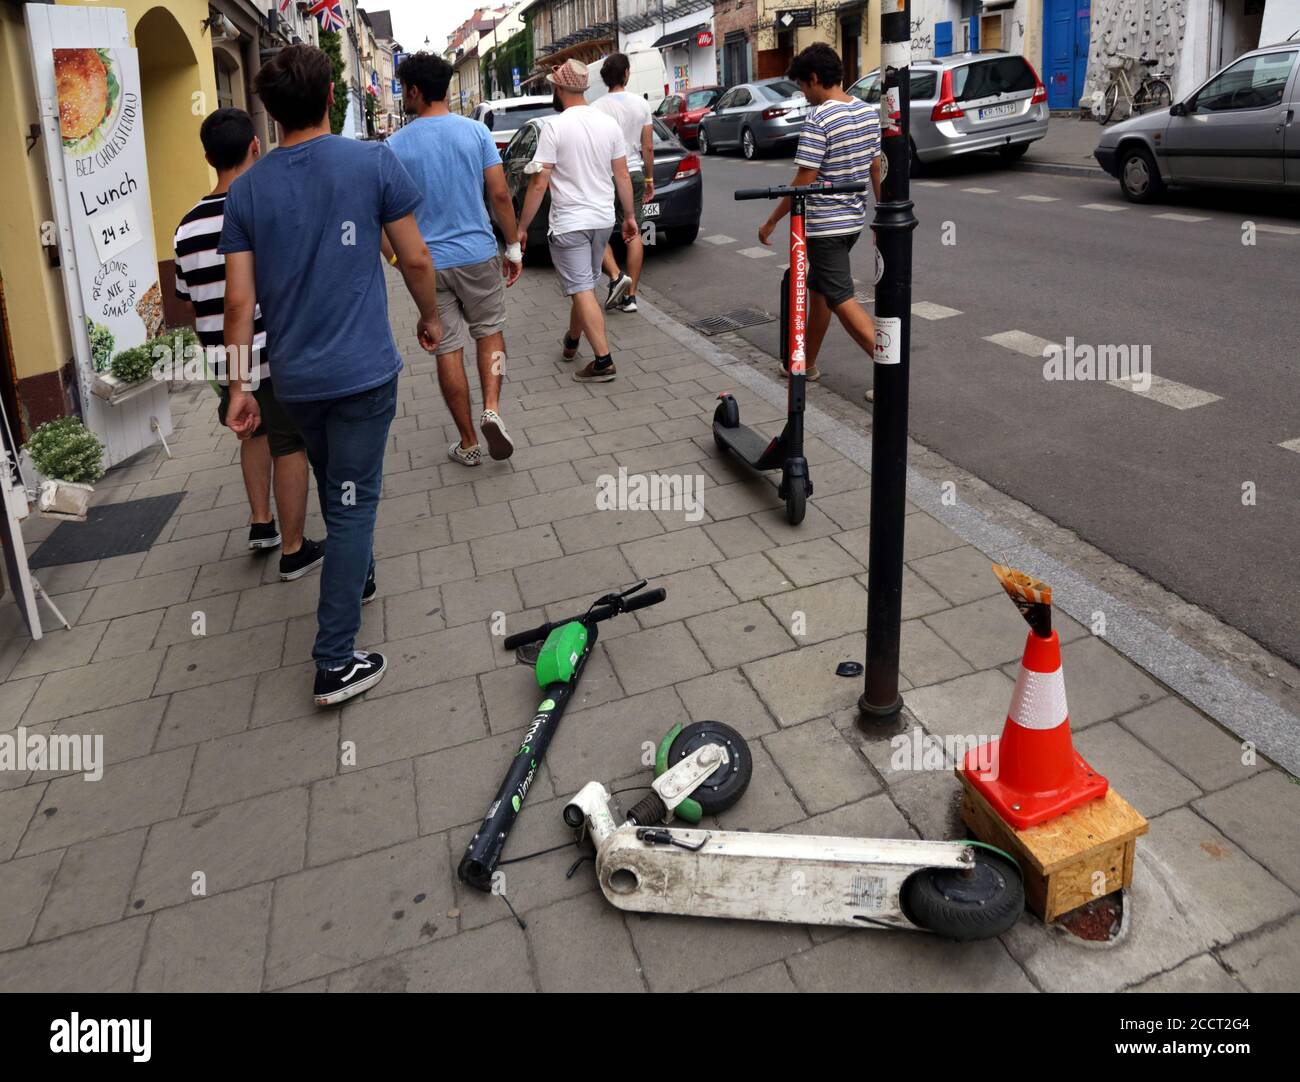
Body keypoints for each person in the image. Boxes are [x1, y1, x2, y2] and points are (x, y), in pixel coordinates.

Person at [219, 44, 442, 707]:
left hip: (294, 378)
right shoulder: (372, 161)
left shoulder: (248, 190)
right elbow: (417, 257)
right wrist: (430, 319)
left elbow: (237, 303)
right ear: (329, 101)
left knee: (333, 482)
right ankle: (335, 661)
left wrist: (238, 386)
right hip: (363, 372)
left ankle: (359, 575)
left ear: (268, 110)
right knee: (353, 505)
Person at [173, 108, 320, 581]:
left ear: (207, 157)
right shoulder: (263, 208)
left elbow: (191, 301)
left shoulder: (185, 227)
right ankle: (294, 550)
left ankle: (262, 523)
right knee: (289, 442)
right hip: (267, 348)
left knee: (250, 431)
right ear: (255, 147)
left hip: (222, 355)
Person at [386, 52, 522, 468]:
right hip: (479, 255)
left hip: (428, 265)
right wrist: (512, 245)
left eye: (404, 90)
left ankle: (467, 441)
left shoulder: (393, 147)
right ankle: (493, 407)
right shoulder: (475, 132)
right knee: (490, 333)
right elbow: (499, 195)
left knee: (447, 348)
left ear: (413, 91)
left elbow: (383, 215)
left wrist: (396, 260)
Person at [756, 43, 881, 385]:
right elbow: (875, 167)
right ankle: (805, 363)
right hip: (852, 222)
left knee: (840, 298)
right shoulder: (868, 111)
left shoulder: (820, 117)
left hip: (825, 227)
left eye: (802, 85)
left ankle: (890, 372)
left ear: (814, 79)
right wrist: (880, 216)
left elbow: (803, 181)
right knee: (821, 291)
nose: (803, 93)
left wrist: (771, 221)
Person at [517, 59, 638, 383]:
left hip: (570, 222)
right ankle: (572, 341)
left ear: (559, 89)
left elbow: (540, 182)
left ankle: (603, 361)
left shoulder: (554, 127)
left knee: (582, 288)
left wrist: (522, 228)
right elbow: (622, 174)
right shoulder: (607, 124)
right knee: (582, 284)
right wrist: (628, 216)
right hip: (601, 219)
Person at [592, 53, 653, 314]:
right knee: (634, 233)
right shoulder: (641, 105)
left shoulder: (596, 108)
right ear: (626, 73)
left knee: (598, 233)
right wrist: (650, 178)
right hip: (635, 173)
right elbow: (647, 146)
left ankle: (616, 276)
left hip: (606, 176)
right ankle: (631, 296)